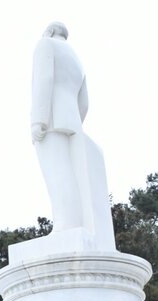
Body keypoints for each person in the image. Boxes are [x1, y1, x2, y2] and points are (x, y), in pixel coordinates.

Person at [30, 21, 115, 250]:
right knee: (69, 171)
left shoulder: (45, 45)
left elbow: (44, 79)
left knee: (56, 172)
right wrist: (75, 120)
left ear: (48, 31)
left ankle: (66, 224)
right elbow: (85, 101)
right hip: (71, 119)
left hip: (50, 119)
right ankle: (70, 223)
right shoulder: (77, 60)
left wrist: (39, 120)